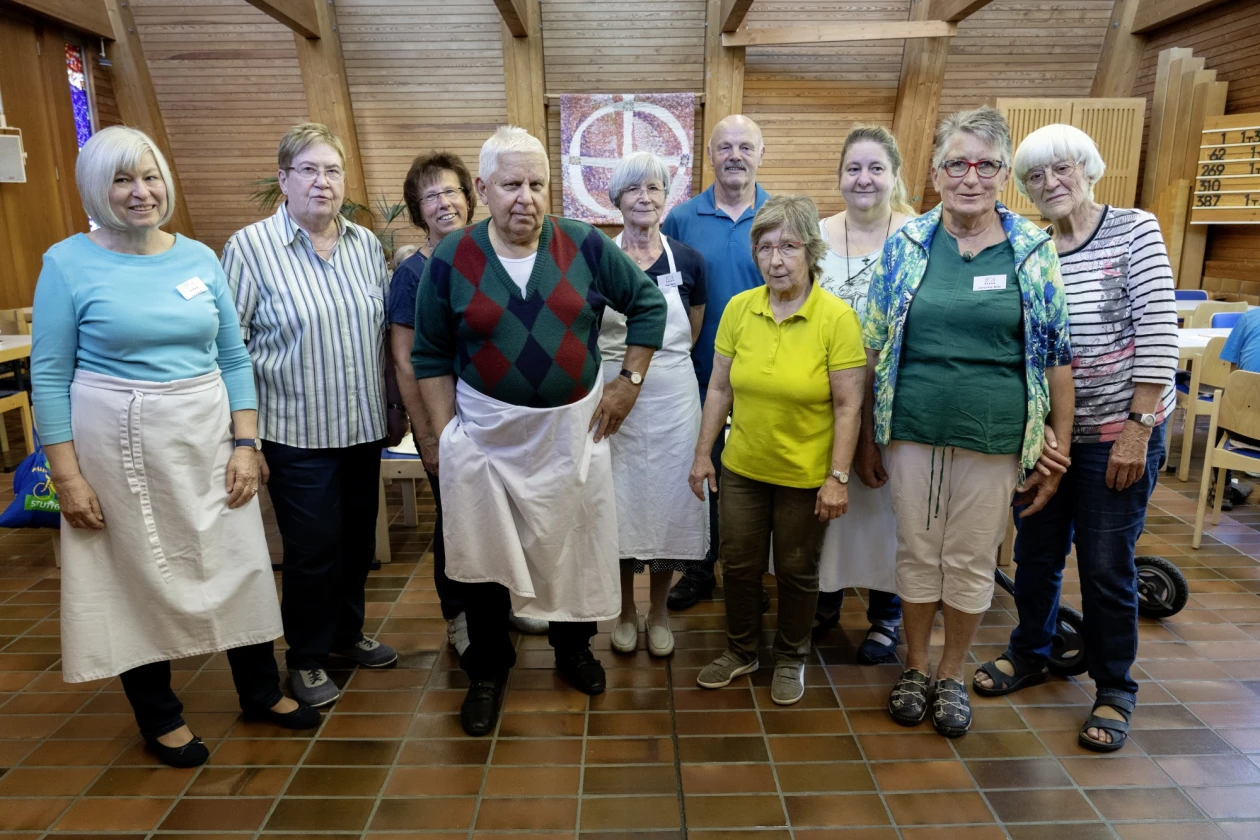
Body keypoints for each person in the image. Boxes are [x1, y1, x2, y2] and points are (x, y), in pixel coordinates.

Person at [31, 126, 319, 769]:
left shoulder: (197, 258)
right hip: (117, 444)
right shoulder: (67, 263)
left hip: (207, 435)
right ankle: (160, 717)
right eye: (123, 180)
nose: (142, 192)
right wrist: (68, 477)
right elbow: (48, 377)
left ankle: (260, 692)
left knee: (238, 560)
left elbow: (233, 356)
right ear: (97, 189)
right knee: (134, 571)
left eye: (151, 176)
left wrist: (247, 444)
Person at [411, 126, 667, 737]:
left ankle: (573, 649)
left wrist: (627, 382)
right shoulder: (452, 257)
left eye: (536, 183)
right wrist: (447, 437)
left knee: (574, 543)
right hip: (484, 435)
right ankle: (489, 670)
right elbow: (429, 354)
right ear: (483, 189)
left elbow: (648, 306)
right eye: (510, 184)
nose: (525, 196)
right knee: (484, 554)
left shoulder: (583, 244)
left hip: (570, 433)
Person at [863, 106, 1074, 738]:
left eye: (985, 165)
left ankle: (953, 673)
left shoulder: (1032, 249)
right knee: (917, 553)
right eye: (957, 163)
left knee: (971, 558)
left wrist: (1055, 441)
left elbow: (1057, 355)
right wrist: (869, 437)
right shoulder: (906, 245)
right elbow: (873, 343)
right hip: (911, 430)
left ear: (1004, 174)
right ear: (935, 172)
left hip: (995, 438)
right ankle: (916, 667)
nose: (970, 177)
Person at [972, 123, 1179, 752]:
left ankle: (1115, 687)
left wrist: (1136, 432)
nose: (1049, 183)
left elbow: (1160, 334)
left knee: (1105, 565)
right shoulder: (1033, 246)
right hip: (1048, 436)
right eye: (1034, 176)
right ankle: (1030, 650)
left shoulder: (1133, 229)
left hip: (1118, 434)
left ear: (1089, 168)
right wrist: (1038, 434)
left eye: (1061, 169)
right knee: (1035, 552)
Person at [223, 123, 397, 709]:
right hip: (294, 432)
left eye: (332, 171)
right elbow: (231, 345)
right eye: (309, 170)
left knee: (353, 543)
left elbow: (380, 339)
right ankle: (307, 655)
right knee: (313, 547)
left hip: (360, 427)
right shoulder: (249, 248)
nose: (322, 182)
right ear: (283, 180)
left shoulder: (366, 245)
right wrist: (243, 438)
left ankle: (346, 635)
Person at [690, 195, 866, 705]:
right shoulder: (739, 310)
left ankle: (792, 656)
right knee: (738, 563)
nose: (776, 259)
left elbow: (848, 406)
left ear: (810, 251)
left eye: (788, 246)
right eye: (765, 247)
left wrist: (837, 476)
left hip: (805, 473)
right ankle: (742, 649)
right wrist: (704, 454)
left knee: (796, 569)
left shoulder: (836, 318)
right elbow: (719, 390)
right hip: (742, 465)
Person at [599, 152, 709, 657]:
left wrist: (658, 369)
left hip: (671, 393)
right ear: (616, 199)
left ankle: (659, 611)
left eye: (655, 188)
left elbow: (694, 328)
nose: (644, 197)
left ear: (667, 198)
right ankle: (624, 611)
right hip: (612, 389)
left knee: (668, 503)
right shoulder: (597, 257)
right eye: (633, 189)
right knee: (617, 501)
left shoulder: (687, 260)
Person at [814, 126, 915, 664]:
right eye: (853, 168)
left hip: (896, 399)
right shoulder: (815, 234)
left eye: (876, 168)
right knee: (830, 507)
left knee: (886, 510)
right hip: (825, 399)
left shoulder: (920, 235)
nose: (864, 179)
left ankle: (886, 615)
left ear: (895, 175)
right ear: (839, 177)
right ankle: (825, 601)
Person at [663, 114, 771, 612]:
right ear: (710, 156)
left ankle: (749, 571)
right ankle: (700, 566)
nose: (735, 155)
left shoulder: (781, 215)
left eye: (745, 147)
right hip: (699, 372)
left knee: (756, 475)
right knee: (702, 468)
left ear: (760, 155)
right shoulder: (682, 219)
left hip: (767, 376)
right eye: (725, 147)